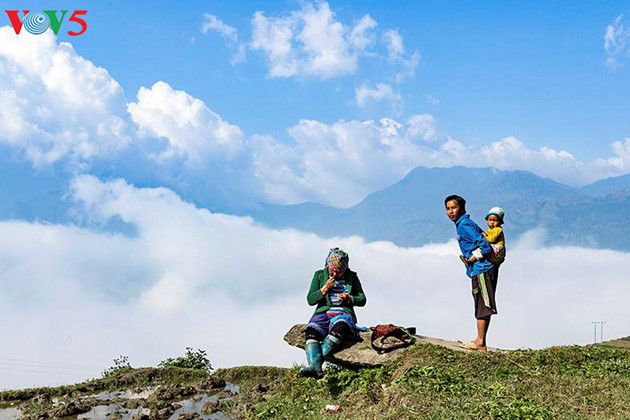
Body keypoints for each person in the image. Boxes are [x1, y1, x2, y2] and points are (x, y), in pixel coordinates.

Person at [300, 247, 367, 377]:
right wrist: (324, 288)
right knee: (311, 332)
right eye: (333, 270)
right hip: (322, 314)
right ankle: (316, 367)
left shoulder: (352, 277)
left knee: (340, 328)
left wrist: (349, 298)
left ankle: (315, 366)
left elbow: (362, 299)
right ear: (327, 266)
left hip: (342, 314)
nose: (336, 274)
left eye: (340, 271)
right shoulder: (319, 275)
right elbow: (310, 300)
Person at [445, 195, 499, 351]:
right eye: (448, 209)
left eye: (454, 207)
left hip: (482, 269)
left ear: (462, 208)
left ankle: (480, 342)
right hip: (482, 269)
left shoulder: (464, 225)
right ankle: (479, 339)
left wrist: (472, 258)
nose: (450, 211)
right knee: (481, 302)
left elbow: (485, 246)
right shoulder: (465, 223)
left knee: (483, 304)